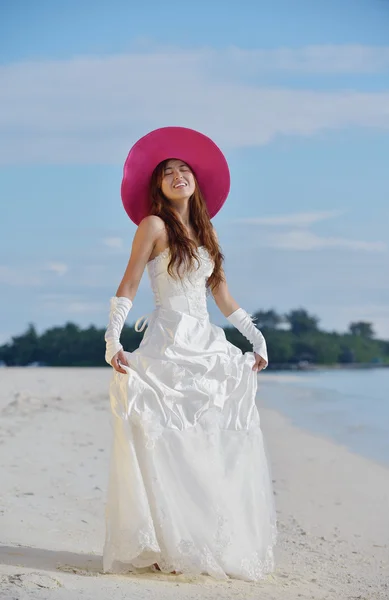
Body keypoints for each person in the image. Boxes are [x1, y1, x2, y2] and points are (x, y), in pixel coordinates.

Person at [102, 126, 277, 581]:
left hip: (206, 345)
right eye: (168, 172)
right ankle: (168, 540)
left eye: (184, 170)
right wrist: (113, 339)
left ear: (196, 181)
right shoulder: (153, 226)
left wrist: (253, 337)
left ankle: (205, 535)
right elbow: (130, 282)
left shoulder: (206, 230)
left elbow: (221, 294)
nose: (178, 175)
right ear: (157, 186)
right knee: (167, 438)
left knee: (209, 438)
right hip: (168, 343)